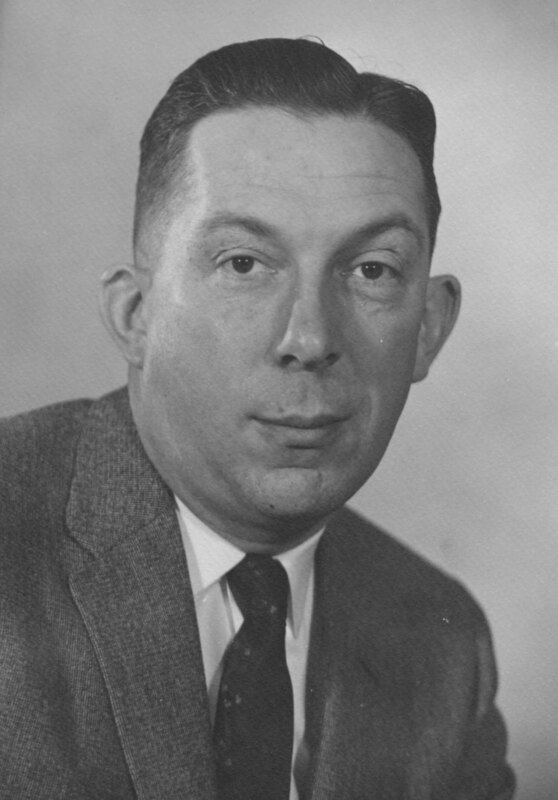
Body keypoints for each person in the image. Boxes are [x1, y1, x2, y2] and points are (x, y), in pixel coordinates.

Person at [0, 37, 515, 800]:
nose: (309, 338)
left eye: (371, 270)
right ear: (136, 314)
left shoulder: (441, 645)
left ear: (429, 330)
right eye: (243, 263)